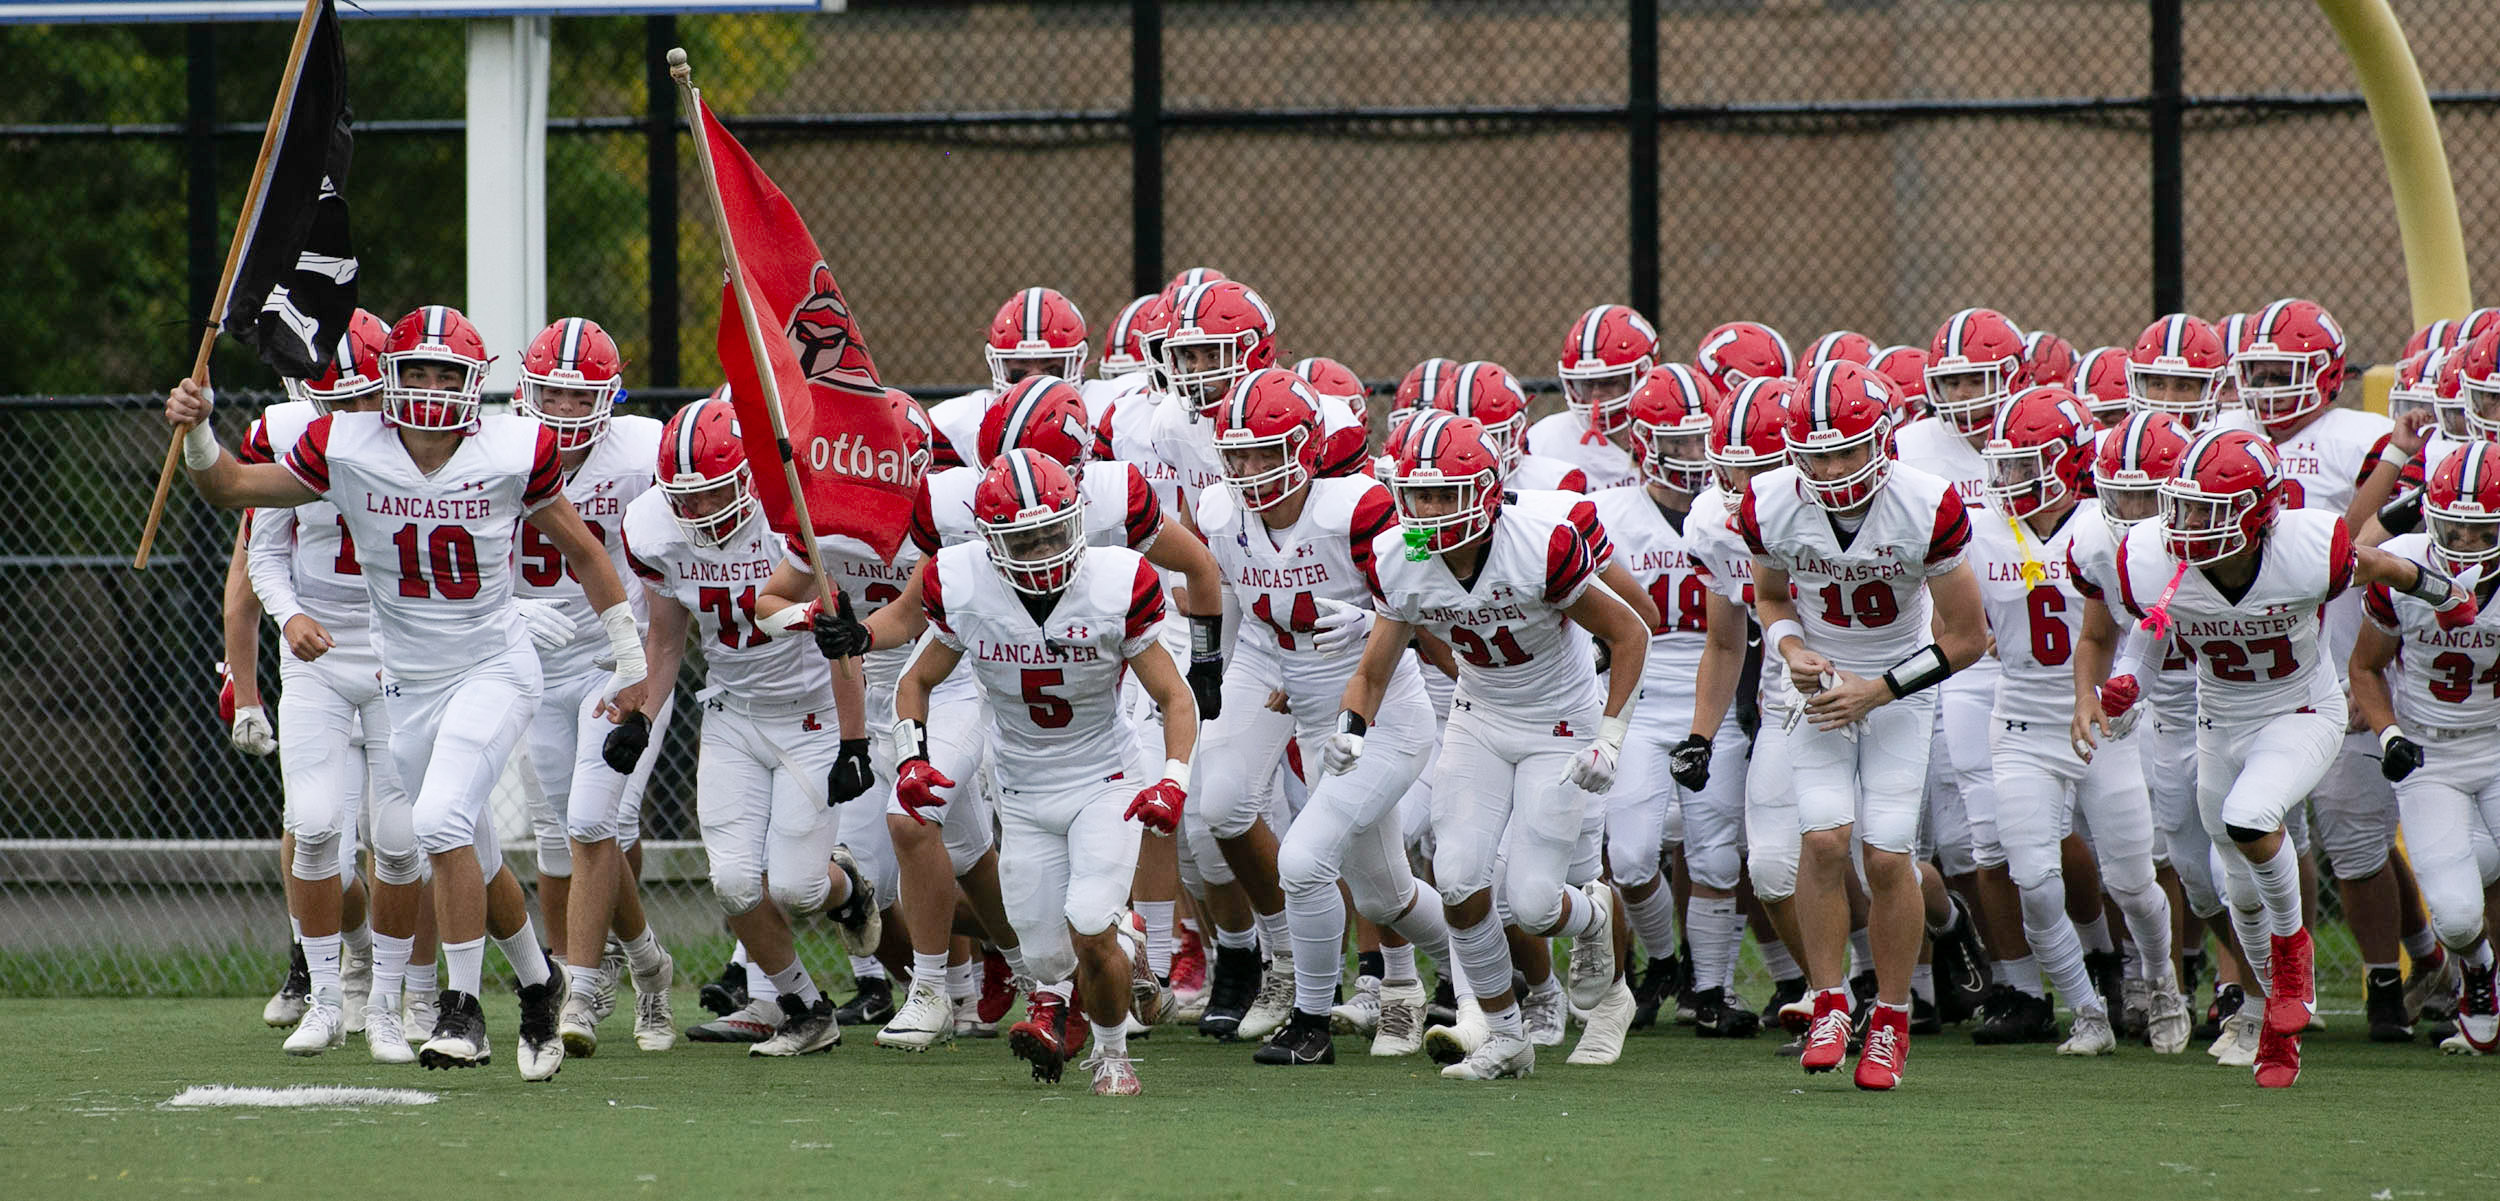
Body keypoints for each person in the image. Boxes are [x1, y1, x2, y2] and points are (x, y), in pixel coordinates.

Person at [165, 304, 651, 1082]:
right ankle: (537, 981)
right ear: (385, 380)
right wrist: (197, 428)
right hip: (408, 678)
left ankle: (462, 1010)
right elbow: (228, 487)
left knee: (435, 822)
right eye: (415, 370)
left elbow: (590, 557)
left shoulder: (511, 449)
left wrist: (630, 668)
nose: (429, 386)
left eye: (445, 372)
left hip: (493, 666)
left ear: (475, 382)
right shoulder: (348, 443)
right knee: (473, 848)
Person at [2077, 428, 2475, 1087]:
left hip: (2301, 713)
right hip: (2218, 722)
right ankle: (2275, 1029)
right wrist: (2119, 690)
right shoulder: (2150, 555)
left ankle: (2295, 957)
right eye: (2187, 506)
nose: (2192, 524)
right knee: (2235, 883)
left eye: (2212, 511)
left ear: (2260, 513)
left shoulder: (2307, 549)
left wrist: (2446, 593)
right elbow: (2147, 645)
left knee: (2251, 814)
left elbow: (2382, 566)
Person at [1351, 413, 1651, 1080]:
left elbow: (1632, 633)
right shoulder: (1401, 555)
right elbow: (1375, 666)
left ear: (1487, 491)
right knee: (1457, 878)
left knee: (1535, 904)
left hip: (1559, 724)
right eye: (1418, 494)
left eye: (1444, 493)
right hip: (1479, 716)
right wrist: (1350, 729)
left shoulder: (1540, 543)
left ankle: (1594, 914)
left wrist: (1609, 737)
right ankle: (1507, 1034)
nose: (1427, 509)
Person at [891, 449, 1200, 1096]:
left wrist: (1172, 777)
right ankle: (1125, 937)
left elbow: (1176, 696)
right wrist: (910, 757)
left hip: (1104, 778)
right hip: (1023, 792)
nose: (1042, 550)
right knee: (1043, 954)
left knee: (1086, 921)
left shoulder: (1116, 581)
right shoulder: (965, 583)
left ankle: (1114, 1054)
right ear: (990, 542)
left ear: (1077, 520)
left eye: (1054, 532)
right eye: (1023, 539)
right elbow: (915, 680)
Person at [1187, 369, 1451, 1066]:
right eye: (1235, 454)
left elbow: (1430, 572)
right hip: (1289, 679)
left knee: (1305, 861)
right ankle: (1483, 965)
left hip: (1382, 710)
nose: (1244, 470)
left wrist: (1370, 616)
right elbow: (1223, 584)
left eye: (1261, 453)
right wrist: (1209, 659)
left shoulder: (1358, 503)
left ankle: (1310, 1020)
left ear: (1304, 447)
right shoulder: (1217, 508)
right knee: (1385, 891)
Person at [1741, 359, 1991, 1091]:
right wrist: (1790, 648)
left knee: (1886, 858)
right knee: (1820, 839)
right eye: (1817, 452)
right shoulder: (1769, 503)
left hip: (1900, 684)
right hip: (1819, 684)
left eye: (1848, 449)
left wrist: (1876, 691)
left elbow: (1967, 638)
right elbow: (1769, 596)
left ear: (1882, 440)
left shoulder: (1925, 503)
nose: (1833, 467)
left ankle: (1891, 1017)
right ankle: (1828, 1002)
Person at [620, 392, 879, 1058]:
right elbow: (668, 640)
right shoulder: (654, 526)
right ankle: (804, 1006)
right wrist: (643, 716)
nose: (699, 509)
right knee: (735, 880)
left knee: (799, 884)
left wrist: (854, 739)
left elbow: (841, 638)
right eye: (686, 496)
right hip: (732, 713)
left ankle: (847, 890)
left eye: (714, 492)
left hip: (813, 714)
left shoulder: (794, 515)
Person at [1973, 386, 2186, 1055]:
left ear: (2067, 462)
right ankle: (2087, 1009)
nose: (2008, 479)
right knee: (2033, 883)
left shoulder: (2107, 528)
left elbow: (2143, 626)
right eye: (2002, 465)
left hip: (2106, 725)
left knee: (2130, 880)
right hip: (2022, 723)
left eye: (2024, 464)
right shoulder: (1979, 527)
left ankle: (2162, 982)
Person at [506, 316, 680, 1058]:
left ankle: (580, 987)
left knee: (590, 820)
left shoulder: (644, 451)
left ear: (611, 398)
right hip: (537, 664)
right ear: (525, 390)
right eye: (553, 394)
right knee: (567, 833)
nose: (567, 413)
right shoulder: (497, 449)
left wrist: (646, 665)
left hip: (622, 661)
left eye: (582, 399)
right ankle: (646, 963)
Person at [239, 309, 406, 1060]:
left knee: (401, 843)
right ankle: (328, 995)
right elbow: (261, 557)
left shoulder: (422, 441)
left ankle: (400, 997)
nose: (351, 417)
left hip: (403, 660)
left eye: (365, 399)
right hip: (316, 658)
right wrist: (290, 614)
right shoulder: (287, 436)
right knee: (314, 830)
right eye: (337, 401)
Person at [1589, 364, 1758, 1037]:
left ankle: (1710, 988)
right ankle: (1664, 959)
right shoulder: (1608, 513)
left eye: (1698, 442)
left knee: (1717, 855)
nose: (1690, 456)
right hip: (1638, 687)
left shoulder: (1732, 511)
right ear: (1641, 442)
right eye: (1677, 442)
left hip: (1711, 687)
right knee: (1630, 858)